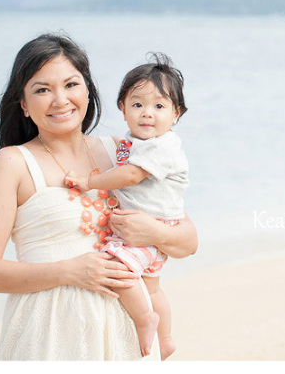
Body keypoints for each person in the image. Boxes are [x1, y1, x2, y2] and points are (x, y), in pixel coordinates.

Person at [0, 33, 198, 361]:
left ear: (88, 89)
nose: (60, 100)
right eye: (42, 90)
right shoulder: (12, 164)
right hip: (49, 334)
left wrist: (155, 232)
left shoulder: (125, 153)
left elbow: (187, 242)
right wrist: (68, 271)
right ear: (24, 105)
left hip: (126, 335)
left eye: (71, 84)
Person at [65, 53, 189, 360]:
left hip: (150, 231)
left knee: (118, 273)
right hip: (159, 230)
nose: (147, 113)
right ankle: (167, 337)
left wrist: (89, 181)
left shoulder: (162, 146)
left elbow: (132, 174)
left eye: (159, 106)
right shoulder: (136, 143)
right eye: (137, 105)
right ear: (122, 108)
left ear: (176, 114)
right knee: (153, 289)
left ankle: (145, 320)